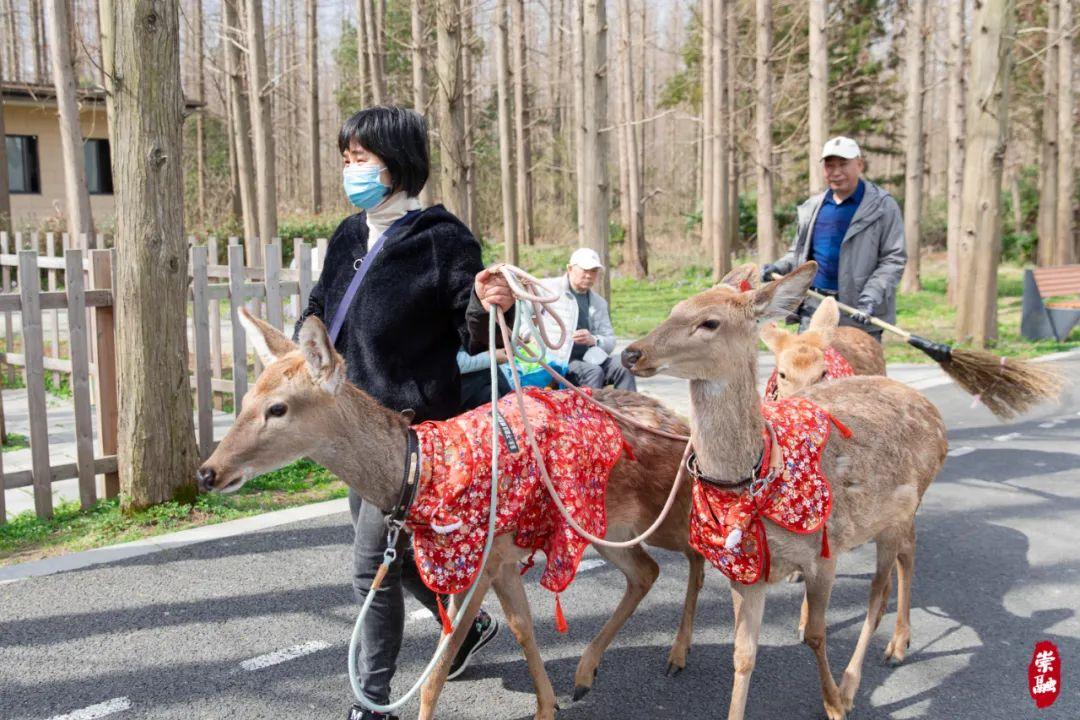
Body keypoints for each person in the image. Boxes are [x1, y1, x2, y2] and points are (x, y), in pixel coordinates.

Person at [293, 107, 513, 720]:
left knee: (372, 569)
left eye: (361, 158)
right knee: (403, 554)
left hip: (413, 434)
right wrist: (307, 326)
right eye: (346, 159)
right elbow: (319, 305)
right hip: (350, 432)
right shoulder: (346, 235)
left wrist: (488, 301)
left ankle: (372, 700)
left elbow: (477, 338)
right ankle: (467, 629)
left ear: (399, 163)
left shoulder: (443, 239)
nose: (350, 170)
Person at [761, 136, 906, 340]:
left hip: (859, 312)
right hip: (814, 306)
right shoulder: (812, 207)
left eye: (843, 164)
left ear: (859, 165)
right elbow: (798, 254)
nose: (836, 172)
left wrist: (870, 297)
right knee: (812, 370)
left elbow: (893, 259)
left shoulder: (882, 206)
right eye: (830, 166)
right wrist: (778, 267)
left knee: (857, 371)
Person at [540, 248, 636, 391]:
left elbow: (610, 339)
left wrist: (594, 340)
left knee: (623, 366)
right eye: (584, 270)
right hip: (559, 361)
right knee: (593, 372)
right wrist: (530, 336)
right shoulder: (548, 289)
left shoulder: (599, 303)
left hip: (591, 357)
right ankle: (591, 413)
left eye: (593, 271)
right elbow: (523, 314)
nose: (589, 275)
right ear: (570, 269)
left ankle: (628, 411)